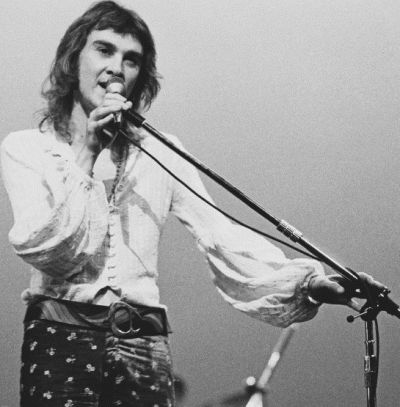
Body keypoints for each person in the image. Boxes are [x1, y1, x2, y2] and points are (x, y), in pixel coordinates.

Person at [0, 1, 386, 406]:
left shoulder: (161, 152)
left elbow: (219, 234)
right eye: (104, 50)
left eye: (131, 59)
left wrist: (309, 283)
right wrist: (87, 150)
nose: (116, 68)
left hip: (144, 349)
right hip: (61, 340)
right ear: (72, 59)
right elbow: (48, 251)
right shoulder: (28, 148)